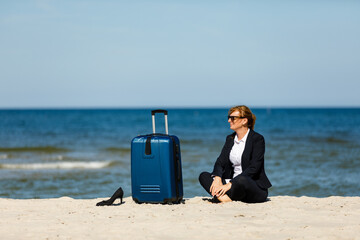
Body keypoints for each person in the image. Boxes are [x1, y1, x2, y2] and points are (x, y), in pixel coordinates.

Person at [199, 105, 272, 203]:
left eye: (233, 118)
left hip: (252, 186)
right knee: (203, 176)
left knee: (241, 179)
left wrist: (231, 184)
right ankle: (225, 198)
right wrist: (217, 178)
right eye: (229, 117)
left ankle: (222, 197)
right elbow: (220, 162)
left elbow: (254, 168)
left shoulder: (257, 139)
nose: (229, 120)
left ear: (244, 121)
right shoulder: (230, 139)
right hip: (231, 184)